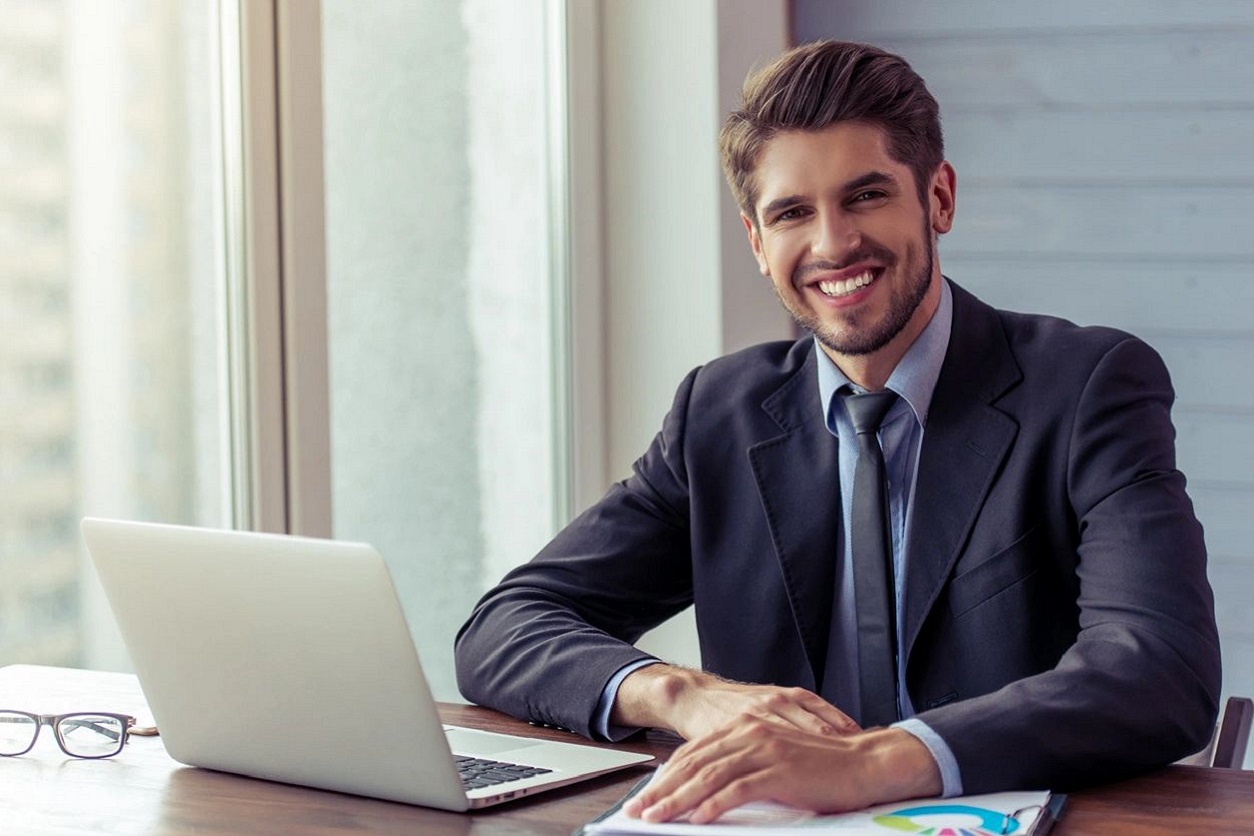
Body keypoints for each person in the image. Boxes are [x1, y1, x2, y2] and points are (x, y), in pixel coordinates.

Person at [454, 40, 1221, 823]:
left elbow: (1159, 670)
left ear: (939, 199)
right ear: (758, 243)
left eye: (865, 196)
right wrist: (683, 695)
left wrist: (876, 763)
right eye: (792, 213)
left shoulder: (1088, 385)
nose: (832, 245)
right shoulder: (718, 413)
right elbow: (505, 627)